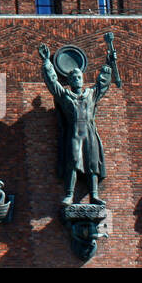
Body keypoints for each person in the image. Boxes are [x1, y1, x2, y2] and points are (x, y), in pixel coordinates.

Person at [39, 43, 117, 204]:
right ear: (69, 80)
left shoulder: (91, 94)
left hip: (89, 131)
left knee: (93, 162)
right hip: (74, 131)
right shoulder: (65, 95)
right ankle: (69, 194)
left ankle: (94, 194)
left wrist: (108, 65)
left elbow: (103, 84)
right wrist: (47, 62)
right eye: (73, 78)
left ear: (83, 79)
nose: (77, 80)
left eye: (79, 77)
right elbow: (53, 83)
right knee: (73, 161)